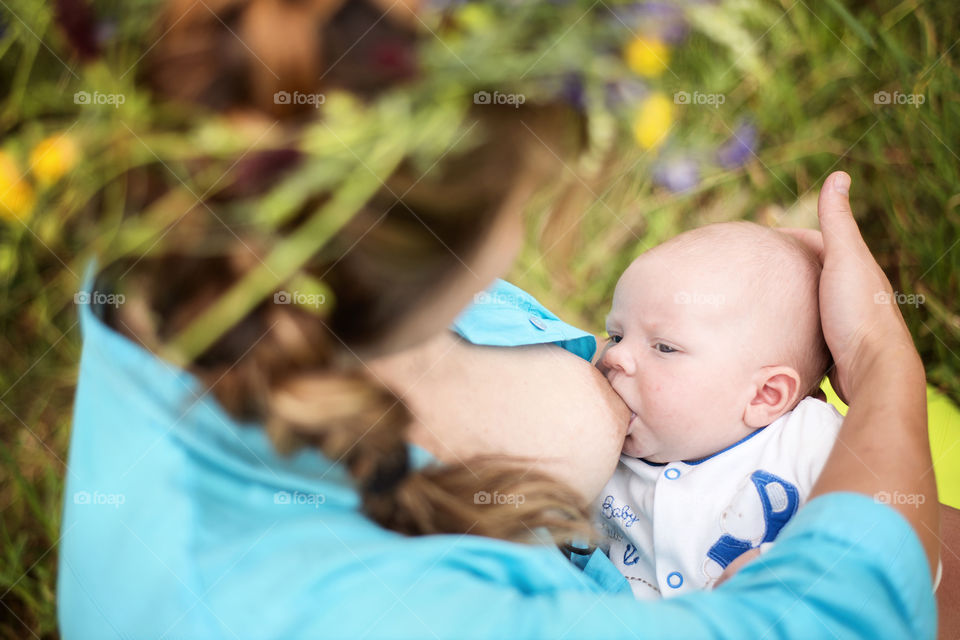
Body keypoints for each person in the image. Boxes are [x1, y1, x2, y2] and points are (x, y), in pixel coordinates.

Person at [58, 0, 941, 638]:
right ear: (434, 262)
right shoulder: (390, 614)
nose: (620, 356)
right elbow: (843, 620)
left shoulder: (180, 247)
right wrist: (879, 363)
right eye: (525, 198)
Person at [596, 221, 845, 598]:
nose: (613, 355)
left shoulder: (807, 440)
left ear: (764, 396)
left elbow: (879, 520)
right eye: (616, 335)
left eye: (664, 347)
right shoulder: (604, 454)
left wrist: (793, 564)